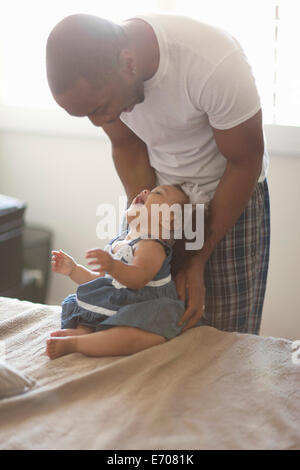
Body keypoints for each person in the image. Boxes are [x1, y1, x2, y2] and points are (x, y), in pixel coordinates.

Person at [46, 12, 270, 336]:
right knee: (143, 315)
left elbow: (244, 161)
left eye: (99, 109)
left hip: (228, 195)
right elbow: (126, 146)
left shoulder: (213, 63)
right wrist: (147, 228)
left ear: (128, 64)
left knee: (222, 336)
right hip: (163, 197)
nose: (99, 122)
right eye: (86, 115)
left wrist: (196, 258)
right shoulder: (108, 82)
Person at [46, 184, 196, 360]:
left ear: (170, 219)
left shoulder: (151, 246)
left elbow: (139, 277)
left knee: (139, 335)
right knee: (86, 308)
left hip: (144, 307)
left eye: (157, 193)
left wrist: (113, 266)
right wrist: (73, 270)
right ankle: (84, 332)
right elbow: (100, 282)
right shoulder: (118, 242)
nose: (145, 191)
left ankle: (78, 343)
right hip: (118, 304)